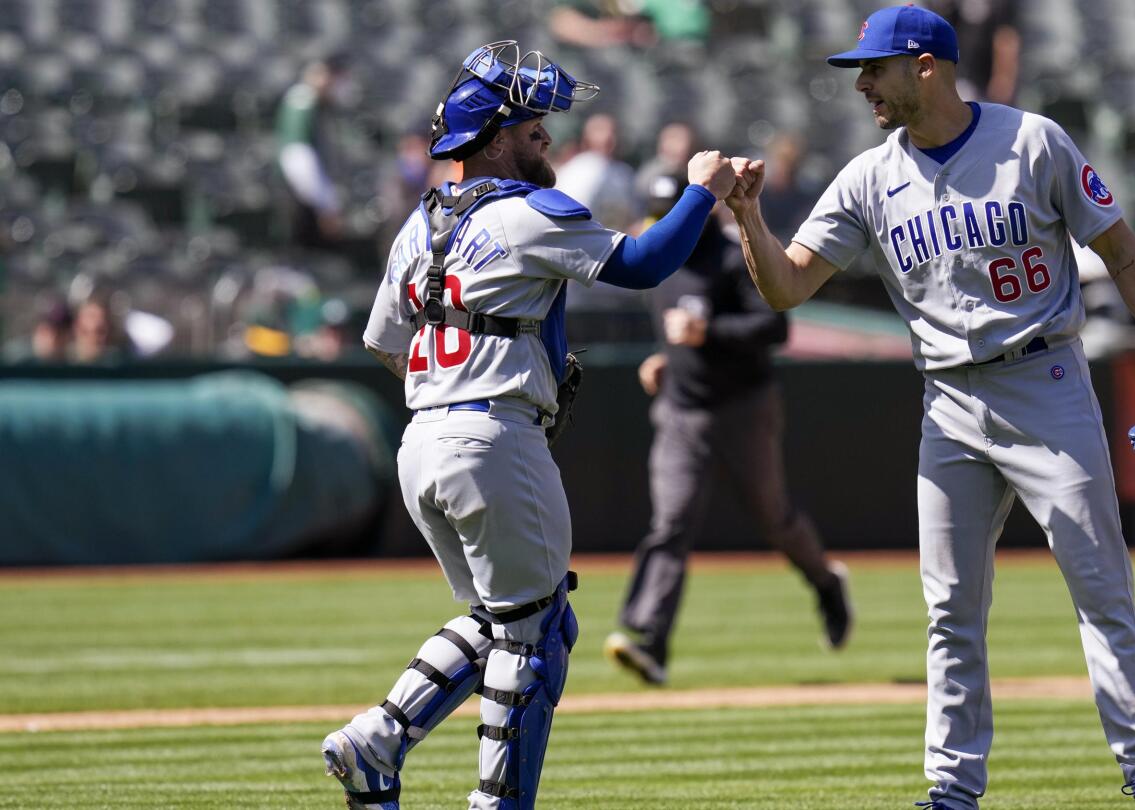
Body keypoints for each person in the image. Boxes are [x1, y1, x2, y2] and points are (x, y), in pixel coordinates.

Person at [722, 7, 1135, 809]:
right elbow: (787, 286)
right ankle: (952, 790)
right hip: (948, 401)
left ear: (925, 66)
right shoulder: (866, 178)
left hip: (1045, 382)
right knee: (949, 608)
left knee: (1101, 592)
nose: (863, 86)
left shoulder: (1032, 142)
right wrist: (747, 217)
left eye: (875, 69)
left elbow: (1122, 252)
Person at [326, 40, 736, 810]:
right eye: (530, 123)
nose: (546, 134)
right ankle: (491, 801)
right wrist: (700, 192)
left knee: (515, 618)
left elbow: (384, 343)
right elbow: (642, 264)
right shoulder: (528, 212)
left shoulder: (416, 226)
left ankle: (377, 740)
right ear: (492, 136)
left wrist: (448, 388)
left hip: (424, 442)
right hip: (492, 435)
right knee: (535, 642)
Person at [602, 175, 853, 687]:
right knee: (671, 522)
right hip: (681, 411)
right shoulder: (660, 258)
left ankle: (826, 583)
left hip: (744, 408)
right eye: (657, 217)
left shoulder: (733, 257)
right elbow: (675, 331)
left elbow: (776, 328)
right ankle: (650, 641)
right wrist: (665, 358)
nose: (662, 226)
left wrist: (706, 334)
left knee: (774, 519)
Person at [275, 55, 351, 248]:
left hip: (316, 198)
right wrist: (327, 205)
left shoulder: (322, 105)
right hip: (304, 201)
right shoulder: (302, 101)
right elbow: (298, 158)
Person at [924, 0, 1021, 105]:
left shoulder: (997, 5)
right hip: (951, 77)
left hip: (982, 82)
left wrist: (1003, 78)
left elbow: (1006, 36)